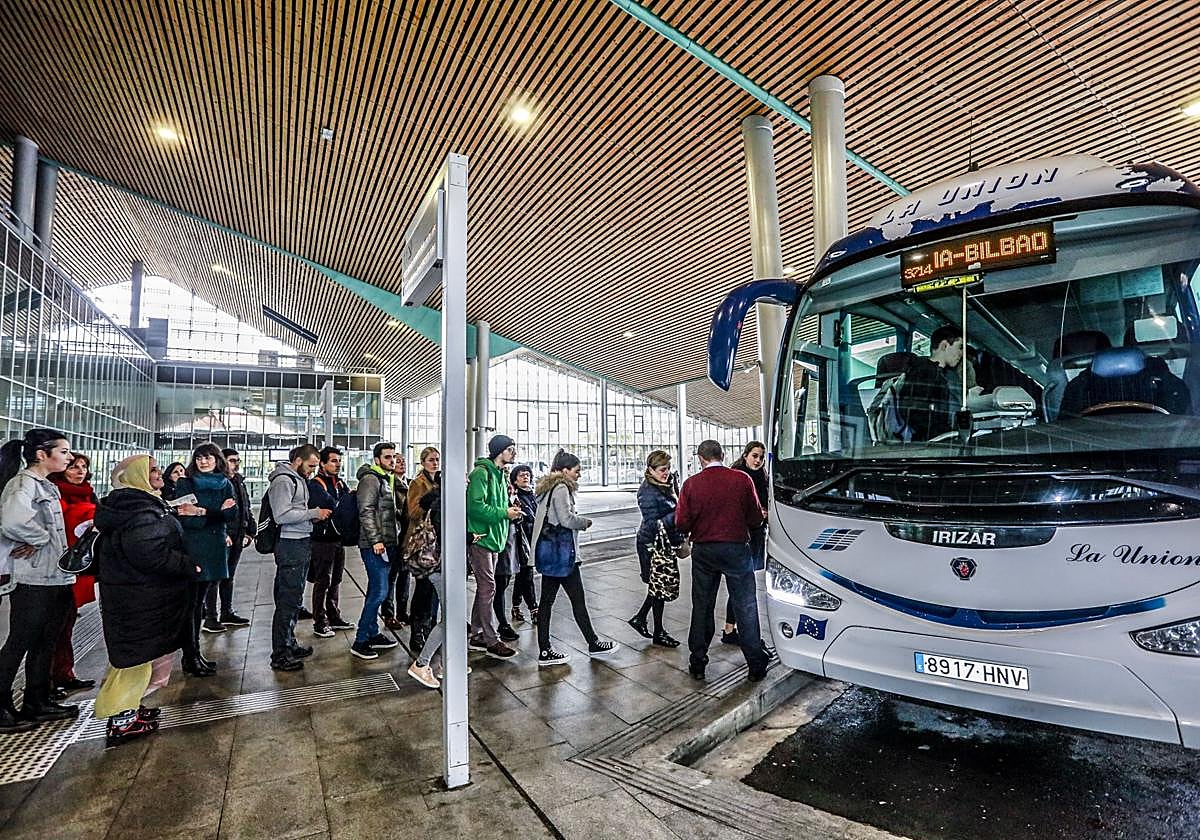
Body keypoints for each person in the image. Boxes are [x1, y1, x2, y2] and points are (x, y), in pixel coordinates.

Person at [92, 455, 198, 746]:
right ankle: (122, 720)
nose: (158, 475)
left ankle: (129, 710)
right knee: (134, 662)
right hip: (140, 596)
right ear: (135, 476)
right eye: (151, 470)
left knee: (134, 660)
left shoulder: (135, 505)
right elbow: (149, 552)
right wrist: (185, 564)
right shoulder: (138, 509)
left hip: (137, 594)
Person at [0, 429, 77, 731]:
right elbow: (12, 520)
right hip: (33, 578)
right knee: (20, 641)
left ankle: (37, 700)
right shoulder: (23, 484)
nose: (69, 457)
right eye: (64, 451)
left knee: (46, 642)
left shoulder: (47, 485)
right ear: (41, 455)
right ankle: (2, 706)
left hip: (55, 576)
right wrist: (40, 537)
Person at [675, 440, 769, 682]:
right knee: (746, 606)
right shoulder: (741, 480)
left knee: (702, 606)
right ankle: (755, 665)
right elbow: (756, 518)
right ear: (723, 455)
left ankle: (698, 662)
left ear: (700, 458)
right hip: (736, 550)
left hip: (704, 551)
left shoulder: (691, 484)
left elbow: (681, 523)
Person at [532, 450, 619, 666]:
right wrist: (584, 522)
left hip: (552, 556)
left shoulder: (547, 487)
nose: (579, 475)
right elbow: (565, 519)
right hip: (563, 556)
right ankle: (592, 643)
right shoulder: (561, 488)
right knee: (576, 601)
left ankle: (547, 650)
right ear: (564, 471)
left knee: (547, 603)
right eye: (576, 471)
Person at [174, 444, 238, 673]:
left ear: (217, 459)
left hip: (215, 547)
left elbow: (231, 514)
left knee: (199, 601)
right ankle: (190, 656)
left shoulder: (225, 483)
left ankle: (195, 655)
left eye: (208, 457)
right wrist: (217, 514)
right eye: (199, 458)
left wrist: (202, 511)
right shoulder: (186, 483)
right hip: (194, 547)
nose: (203, 462)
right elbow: (186, 519)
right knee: (192, 605)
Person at [266, 444, 330, 671]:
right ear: (298, 460)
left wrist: (309, 519)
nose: (312, 471)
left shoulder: (297, 479)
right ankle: (280, 654)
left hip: (300, 540)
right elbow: (281, 514)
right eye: (311, 465)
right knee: (287, 600)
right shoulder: (284, 481)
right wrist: (313, 513)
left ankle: (289, 644)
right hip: (290, 544)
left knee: (293, 599)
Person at [466, 434, 522, 660]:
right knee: (488, 587)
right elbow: (475, 507)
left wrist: (511, 511)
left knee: (486, 589)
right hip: (483, 540)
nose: (513, 453)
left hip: (495, 539)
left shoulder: (500, 474)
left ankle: (477, 634)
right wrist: (504, 513)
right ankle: (490, 639)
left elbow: (498, 505)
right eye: (510, 449)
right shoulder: (482, 473)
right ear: (499, 451)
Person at [48, 452, 99, 696]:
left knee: (66, 623)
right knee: (52, 627)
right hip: (54, 568)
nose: (79, 471)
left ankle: (64, 673)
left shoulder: (87, 493)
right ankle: (45, 680)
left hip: (76, 568)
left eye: (83, 467)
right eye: (73, 466)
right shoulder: (54, 493)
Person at [350, 442, 403, 660]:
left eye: (394, 457)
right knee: (380, 591)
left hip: (388, 542)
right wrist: (375, 540)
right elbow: (366, 511)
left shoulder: (387, 479)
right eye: (387, 457)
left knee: (377, 589)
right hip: (375, 544)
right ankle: (361, 639)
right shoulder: (371, 479)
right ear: (377, 459)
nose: (392, 461)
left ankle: (372, 632)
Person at [629, 450, 681, 648]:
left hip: (662, 544)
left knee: (658, 586)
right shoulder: (648, 491)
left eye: (667, 468)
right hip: (650, 545)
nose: (666, 472)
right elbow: (652, 523)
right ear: (650, 470)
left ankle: (643, 620)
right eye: (662, 469)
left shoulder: (665, 485)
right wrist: (677, 514)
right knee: (658, 587)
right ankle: (656, 630)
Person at [306, 447, 357, 638]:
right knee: (323, 581)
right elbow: (333, 505)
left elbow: (343, 504)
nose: (338, 464)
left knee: (336, 580)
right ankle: (320, 621)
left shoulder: (339, 483)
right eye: (333, 461)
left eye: (339, 461)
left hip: (338, 539)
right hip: (322, 541)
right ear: (322, 463)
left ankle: (334, 615)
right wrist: (345, 501)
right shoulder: (316, 485)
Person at [204, 448, 256, 629]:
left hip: (237, 534)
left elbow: (245, 507)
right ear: (222, 462)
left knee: (229, 575)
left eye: (237, 461)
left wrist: (250, 530)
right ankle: (211, 617)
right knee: (215, 577)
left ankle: (227, 612)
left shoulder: (238, 482)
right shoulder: (215, 483)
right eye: (232, 460)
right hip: (222, 535)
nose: (236, 464)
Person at [723, 441, 768, 646]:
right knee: (742, 586)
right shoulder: (738, 475)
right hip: (743, 538)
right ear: (745, 455)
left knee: (745, 585)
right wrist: (758, 513)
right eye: (754, 456)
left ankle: (731, 628)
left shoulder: (762, 475)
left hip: (756, 535)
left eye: (761, 457)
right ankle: (732, 630)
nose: (758, 460)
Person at [405, 447, 441, 653]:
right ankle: (417, 631)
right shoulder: (419, 483)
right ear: (423, 462)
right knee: (423, 589)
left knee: (434, 590)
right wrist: (432, 500)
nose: (434, 463)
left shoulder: (439, 480)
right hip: (424, 543)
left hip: (438, 542)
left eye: (437, 459)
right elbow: (413, 512)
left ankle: (430, 628)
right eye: (430, 460)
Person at [380, 452, 411, 630]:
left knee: (405, 575)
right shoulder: (388, 484)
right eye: (397, 461)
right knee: (391, 576)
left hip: (407, 536)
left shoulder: (410, 483)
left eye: (402, 461)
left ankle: (402, 611)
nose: (400, 464)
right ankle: (388, 613)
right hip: (394, 536)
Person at [508, 464, 538, 624]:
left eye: (527, 474)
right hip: (521, 540)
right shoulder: (515, 497)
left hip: (532, 540)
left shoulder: (533, 495)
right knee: (527, 574)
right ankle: (534, 609)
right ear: (515, 479)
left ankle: (515, 606)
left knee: (523, 575)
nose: (525, 477)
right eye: (521, 475)